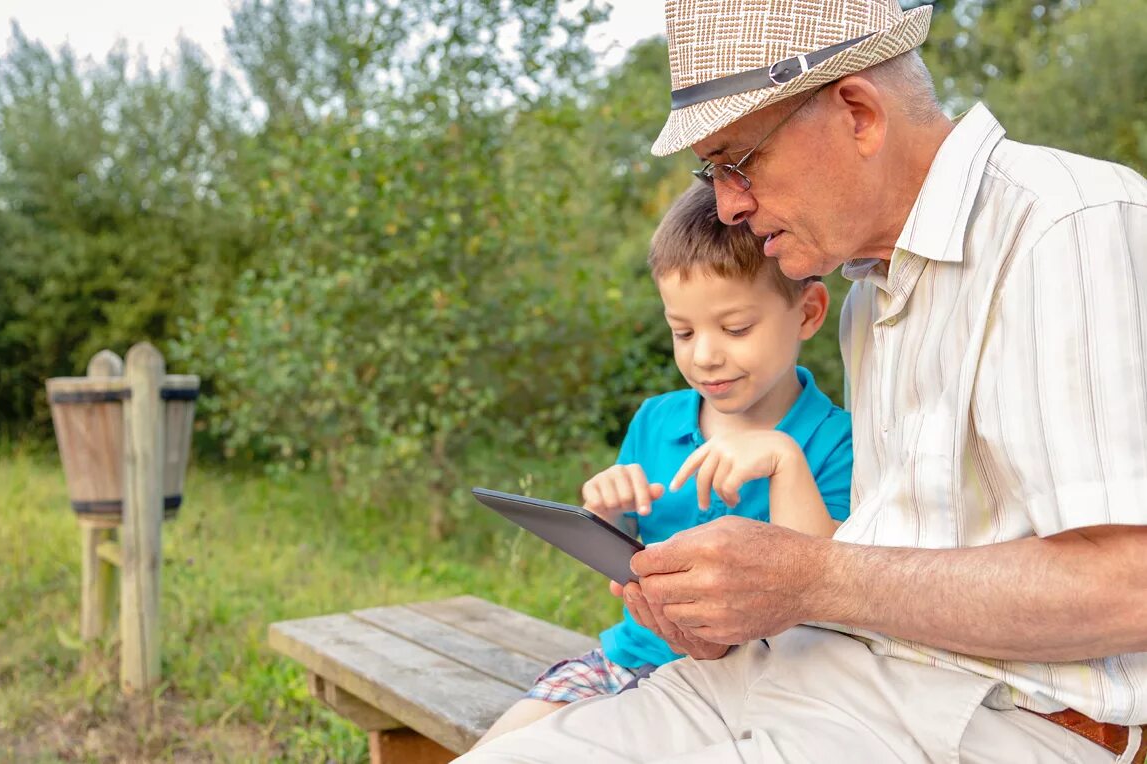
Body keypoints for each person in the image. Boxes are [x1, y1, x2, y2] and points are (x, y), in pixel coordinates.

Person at [458, 0, 1147, 761]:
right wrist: (723, 610)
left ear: (858, 112)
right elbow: (884, 568)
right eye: (709, 172)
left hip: (995, 719)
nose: (726, 204)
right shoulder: (867, 298)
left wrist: (813, 579)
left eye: (738, 162)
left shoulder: (1068, 224)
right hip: (810, 672)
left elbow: (1132, 586)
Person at [475, 182, 853, 746]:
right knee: (499, 745)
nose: (704, 355)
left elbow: (829, 593)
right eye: (683, 331)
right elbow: (625, 568)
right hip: (629, 662)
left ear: (808, 313)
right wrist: (611, 517)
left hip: (756, 690)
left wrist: (785, 463)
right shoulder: (656, 420)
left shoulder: (833, 440)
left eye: (735, 329)